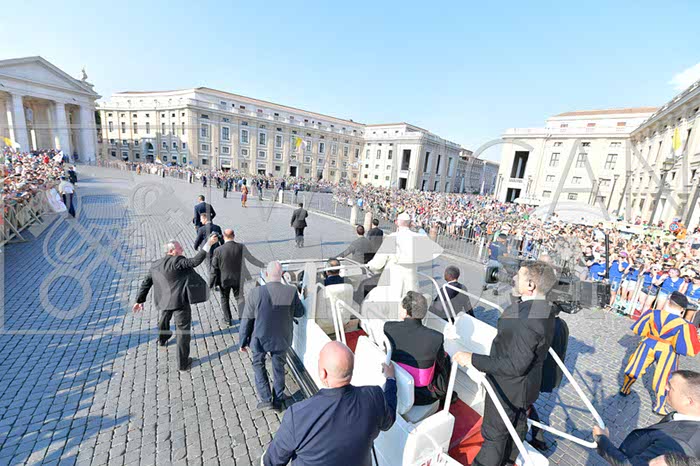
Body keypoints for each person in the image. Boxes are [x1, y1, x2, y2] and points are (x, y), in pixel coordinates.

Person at [453, 261, 558, 466]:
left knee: (494, 436)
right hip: (526, 388)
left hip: (508, 388)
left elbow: (515, 366)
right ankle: (509, 461)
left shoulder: (526, 319)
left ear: (531, 285)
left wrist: (472, 359)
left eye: (519, 276)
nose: (513, 278)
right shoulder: (545, 308)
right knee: (517, 426)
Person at [262, 341, 397, 466]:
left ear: (323, 373)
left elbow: (271, 462)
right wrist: (391, 379)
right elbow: (388, 421)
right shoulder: (374, 397)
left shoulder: (297, 416)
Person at [133, 236, 218, 372]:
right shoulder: (177, 261)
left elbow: (146, 283)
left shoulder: (155, 264)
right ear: (172, 251)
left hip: (164, 300)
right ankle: (183, 363)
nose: (182, 249)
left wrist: (139, 300)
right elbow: (195, 261)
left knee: (164, 319)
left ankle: (162, 339)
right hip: (179, 302)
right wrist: (208, 243)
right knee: (183, 332)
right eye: (179, 248)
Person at [595, 370, 700, 464]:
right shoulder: (686, 416)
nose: (665, 387)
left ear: (689, 401)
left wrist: (602, 440)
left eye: (671, 387)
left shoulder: (677, 443)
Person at [620, 291, 700, 414]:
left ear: (668, 302)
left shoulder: (652, 313)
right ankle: (659, 407)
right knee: (664, 377)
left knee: (635, 366)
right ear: (682, 310)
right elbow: (686, 348)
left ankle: (625, 389)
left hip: (648, 343)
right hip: (667, 350)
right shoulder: (684, 324)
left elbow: (639, 329)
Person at [239, 261, 305, 410]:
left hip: (259, 338)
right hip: (282, 337)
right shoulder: (291, 291)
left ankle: (266, 399)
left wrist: (242, 341)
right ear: (282, 275)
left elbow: (247, 319)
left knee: (258, 365)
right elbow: (299, 313)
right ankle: (278, 399)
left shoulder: (256, 293)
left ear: (267, 274)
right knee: (279, 367)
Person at [384, 291, 445, 406]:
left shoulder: (388, 327)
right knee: (445, 360)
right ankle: (447, 396)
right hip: (422, 396)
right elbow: (440, 365)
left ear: (405, 311)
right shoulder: (436, 337)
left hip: (394, 386)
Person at [209, 229, 266, 326]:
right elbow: (251, 258)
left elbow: (213, 269)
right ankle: (242, 317)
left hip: (224, 280)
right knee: (240, 297)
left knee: (224, 299)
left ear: (224, 236)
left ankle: (227, 319)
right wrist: (263, 265)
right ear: (234, 236)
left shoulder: (217, 250)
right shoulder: (241, 247)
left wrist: (210, 284)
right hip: (238, 279)